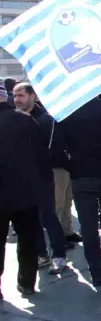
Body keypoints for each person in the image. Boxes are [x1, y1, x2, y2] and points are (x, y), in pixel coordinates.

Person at [58, 95, 101, 287]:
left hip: (81, 175)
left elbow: (56, 149)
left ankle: (96, 271)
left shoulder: (68, 110)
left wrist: (72, 166)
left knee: (88, 225)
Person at [13, 83, 68, 274]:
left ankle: (59, 255)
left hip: (44, 176)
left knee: (48, 216)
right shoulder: (15, 119)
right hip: (23, 179)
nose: (17, 99)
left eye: (21, 95)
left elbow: (53, 149)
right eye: (15, 95)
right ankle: (41, 254)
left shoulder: (46, 119)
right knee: (31, 218)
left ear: (33, 96)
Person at [0, 85, 43, 297]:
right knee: (28, 241)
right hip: (25, 194)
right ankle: (27, 283)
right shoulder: (26, 121)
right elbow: (41, 156)